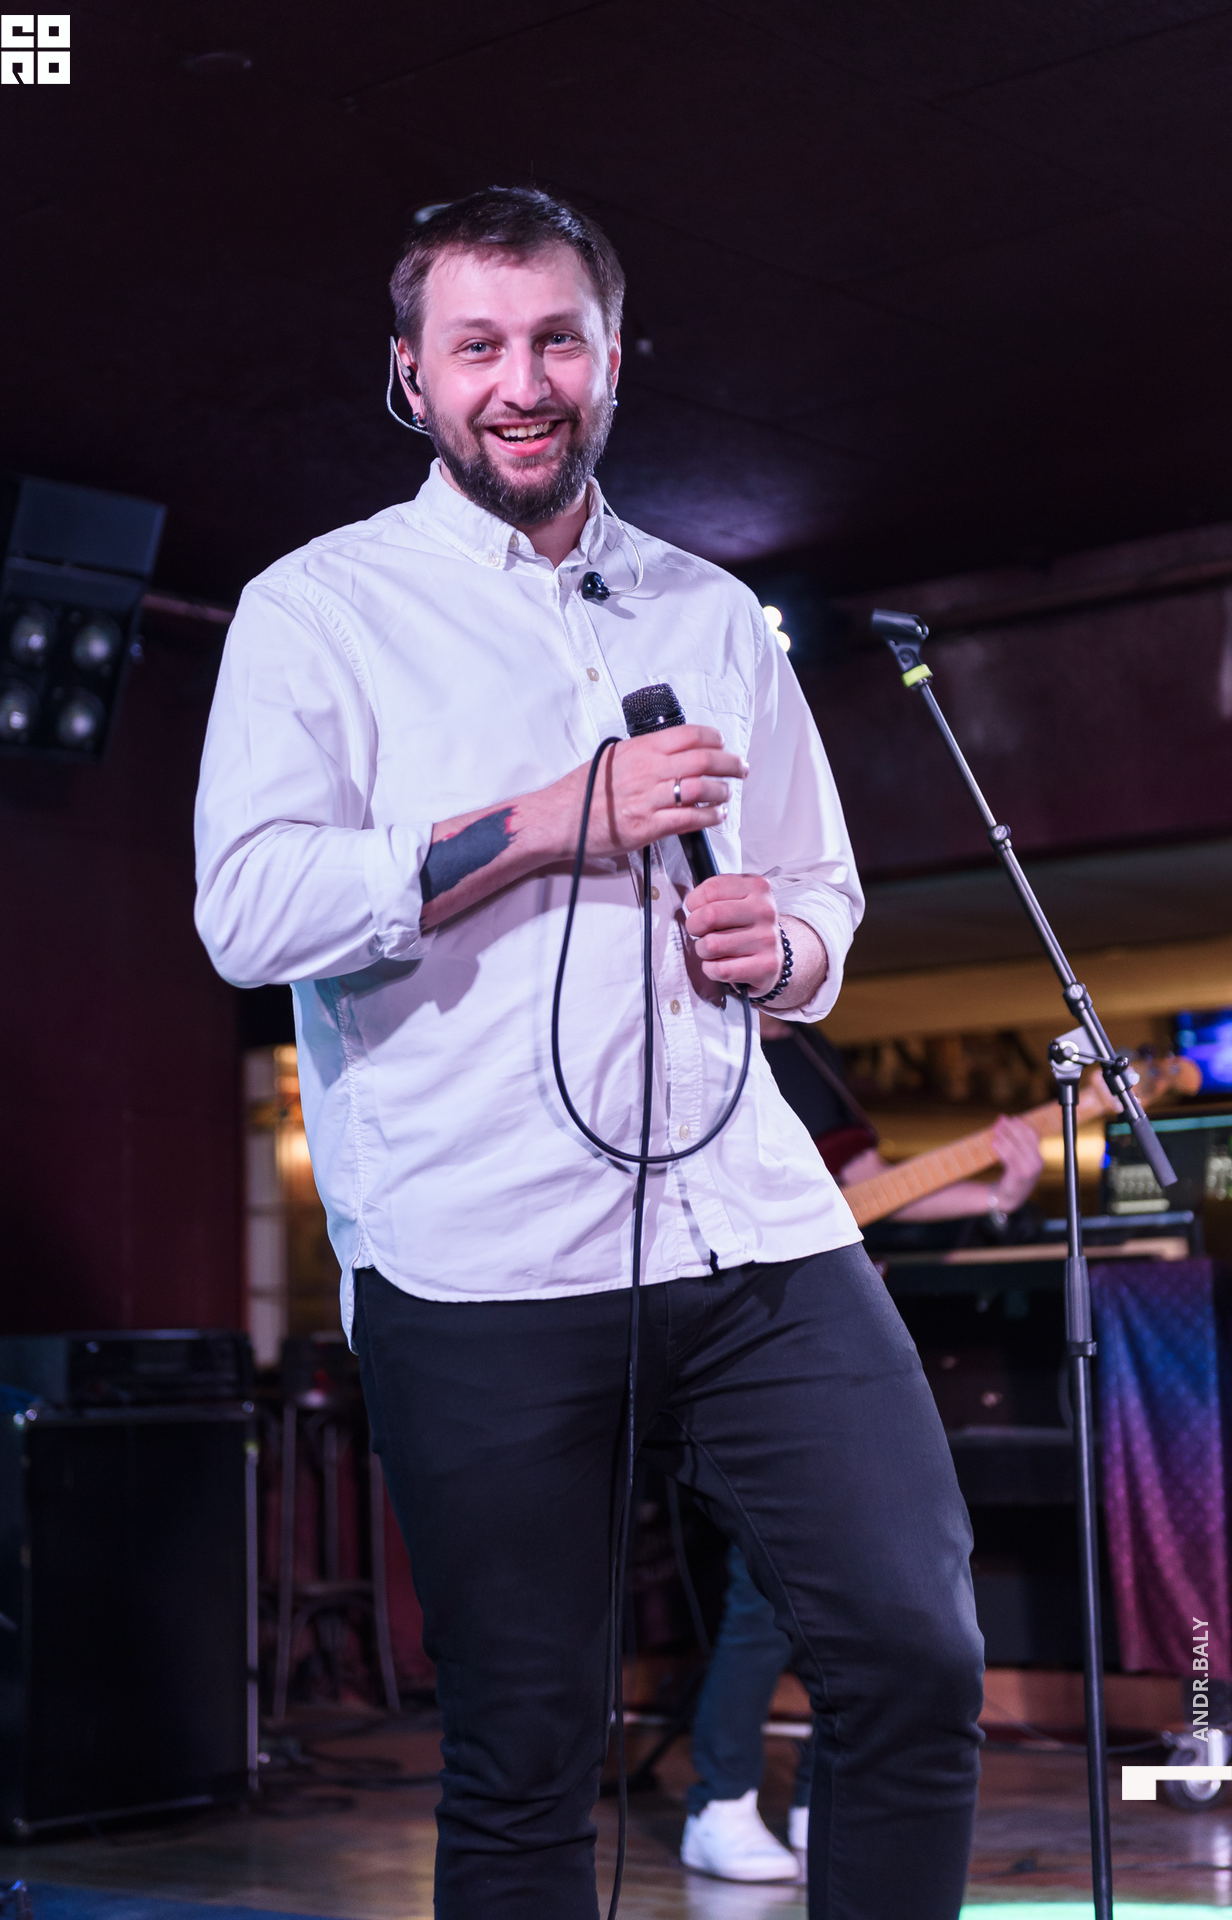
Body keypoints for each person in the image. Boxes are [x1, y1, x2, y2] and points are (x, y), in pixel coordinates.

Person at [194, 187, 984, 1920]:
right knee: (525, 1758)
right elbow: (248, 914)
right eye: (476, 345)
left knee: (917, 1659)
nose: (521, 381)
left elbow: (820, 891)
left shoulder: (711, 610)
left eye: (557, 340)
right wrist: (551, 819)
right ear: (410, 375)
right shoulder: (316, 610)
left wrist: (783, 950)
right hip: (479, 1260)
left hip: (753, 1230)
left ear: (613, 359)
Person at [680, 1016, 1045, 1883]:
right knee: (761, 1596)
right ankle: (718, 1802)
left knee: (861, 1587)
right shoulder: (700, 1036)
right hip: (736, 1328)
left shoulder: (811, 1052)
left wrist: (997, 1194)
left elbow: (868, 1185)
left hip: (823, 1329)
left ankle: (823, 1800)